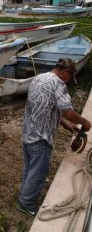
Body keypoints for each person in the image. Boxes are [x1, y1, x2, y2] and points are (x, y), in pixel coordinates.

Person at [16, 58, 91, 217]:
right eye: (70, 76)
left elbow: (44, 106)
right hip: (41, 137)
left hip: (28, 132)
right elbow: (69, 112)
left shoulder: (39, 78)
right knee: (39, 172)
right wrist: (84, 121)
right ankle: (26, 203)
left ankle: (24, 194)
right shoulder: (58, 84)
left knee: (30, 166)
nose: (69, 80)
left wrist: (64, 124)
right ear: (64, 72)